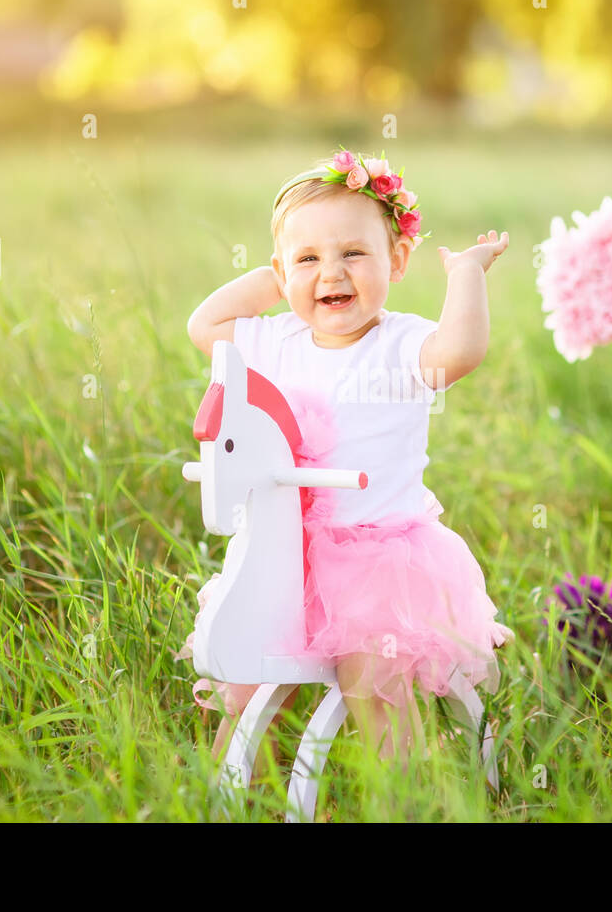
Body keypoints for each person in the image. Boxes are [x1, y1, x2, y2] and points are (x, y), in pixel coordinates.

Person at [184, 149, 513, 766]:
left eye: (353, 253)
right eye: (309, 259)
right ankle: (240, 796)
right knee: (252, 692)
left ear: (398, 259)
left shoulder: (401, 344)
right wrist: (278, 278)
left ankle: (410, 795)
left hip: (378, 562)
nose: (331, 273)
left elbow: (460, 351)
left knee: (375, 686)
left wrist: (467, 275)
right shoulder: (276, 339)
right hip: (287, 555)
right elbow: (205, 325)